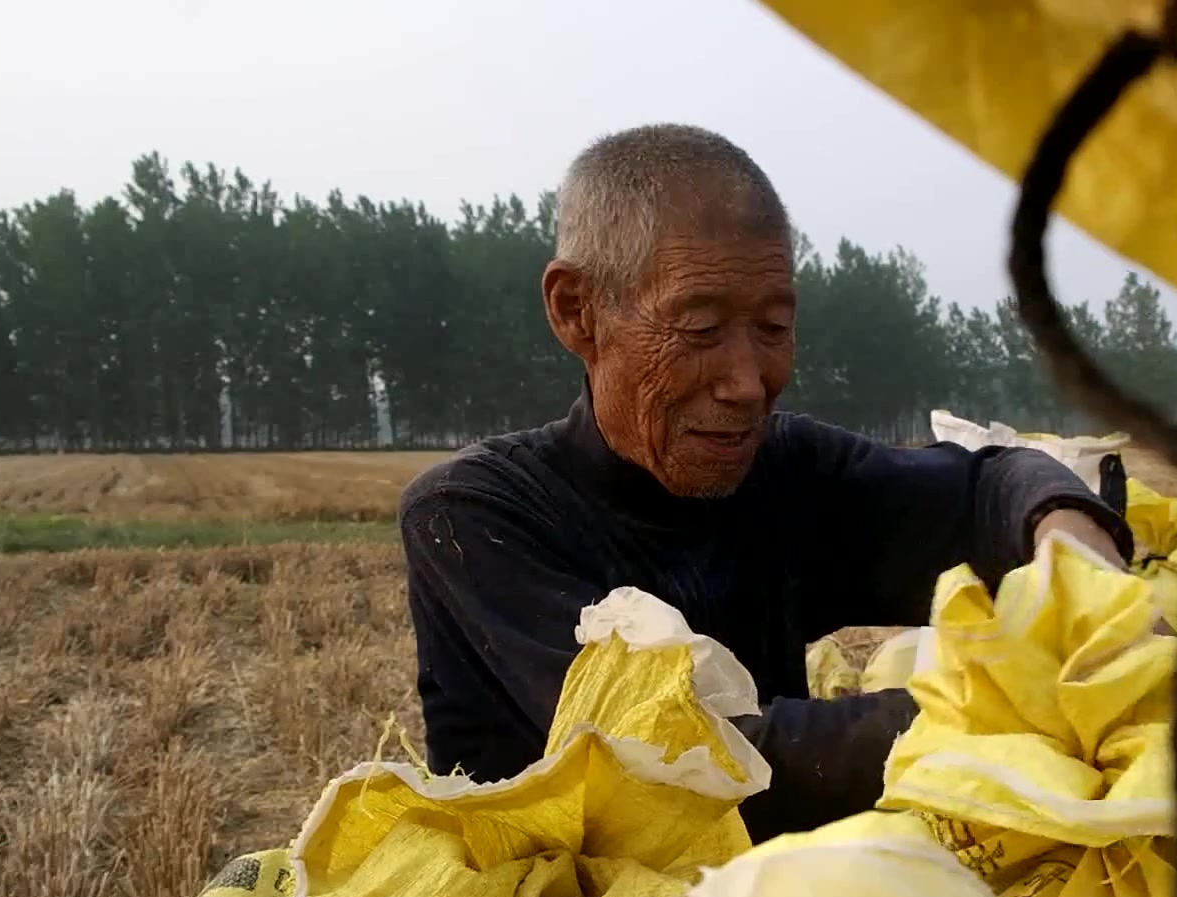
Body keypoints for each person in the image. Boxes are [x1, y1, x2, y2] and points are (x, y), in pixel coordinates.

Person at [398, 124, 1134, 842]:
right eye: (701, 329)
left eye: (774, 328)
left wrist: (1079, 558)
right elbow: (691, 762)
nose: (748, 383)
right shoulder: (474, 518)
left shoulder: (781, 471)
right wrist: (1020, 709)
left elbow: (983, 491)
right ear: (577, 312)